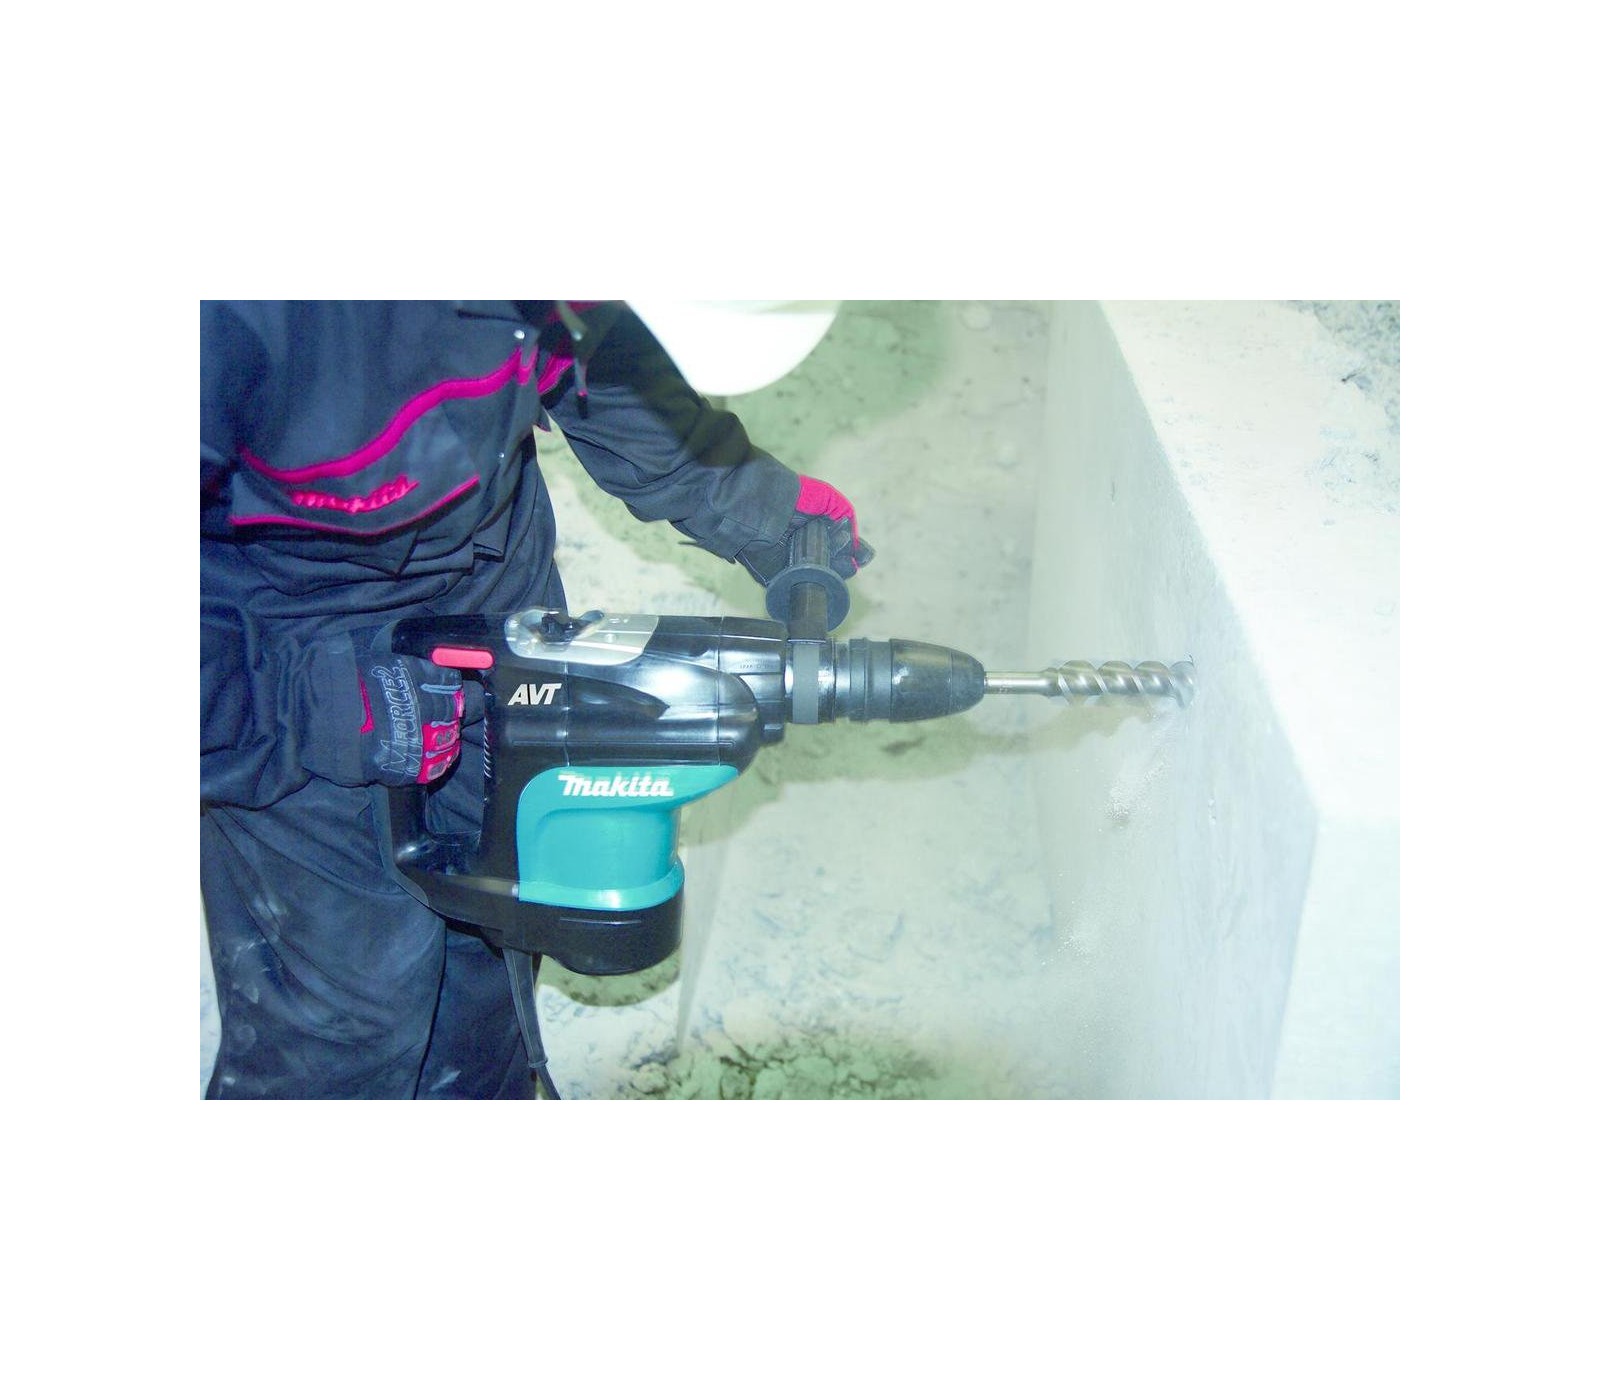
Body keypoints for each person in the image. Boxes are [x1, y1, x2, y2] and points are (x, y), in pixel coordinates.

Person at [201, 300, 866, 1099]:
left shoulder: (563, 293)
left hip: (493, 581)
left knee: (500, 920)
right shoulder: (231, 321)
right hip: (280, 649)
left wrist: (740, 496)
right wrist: (304, 707)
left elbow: (589, 355)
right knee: (354, 1012)